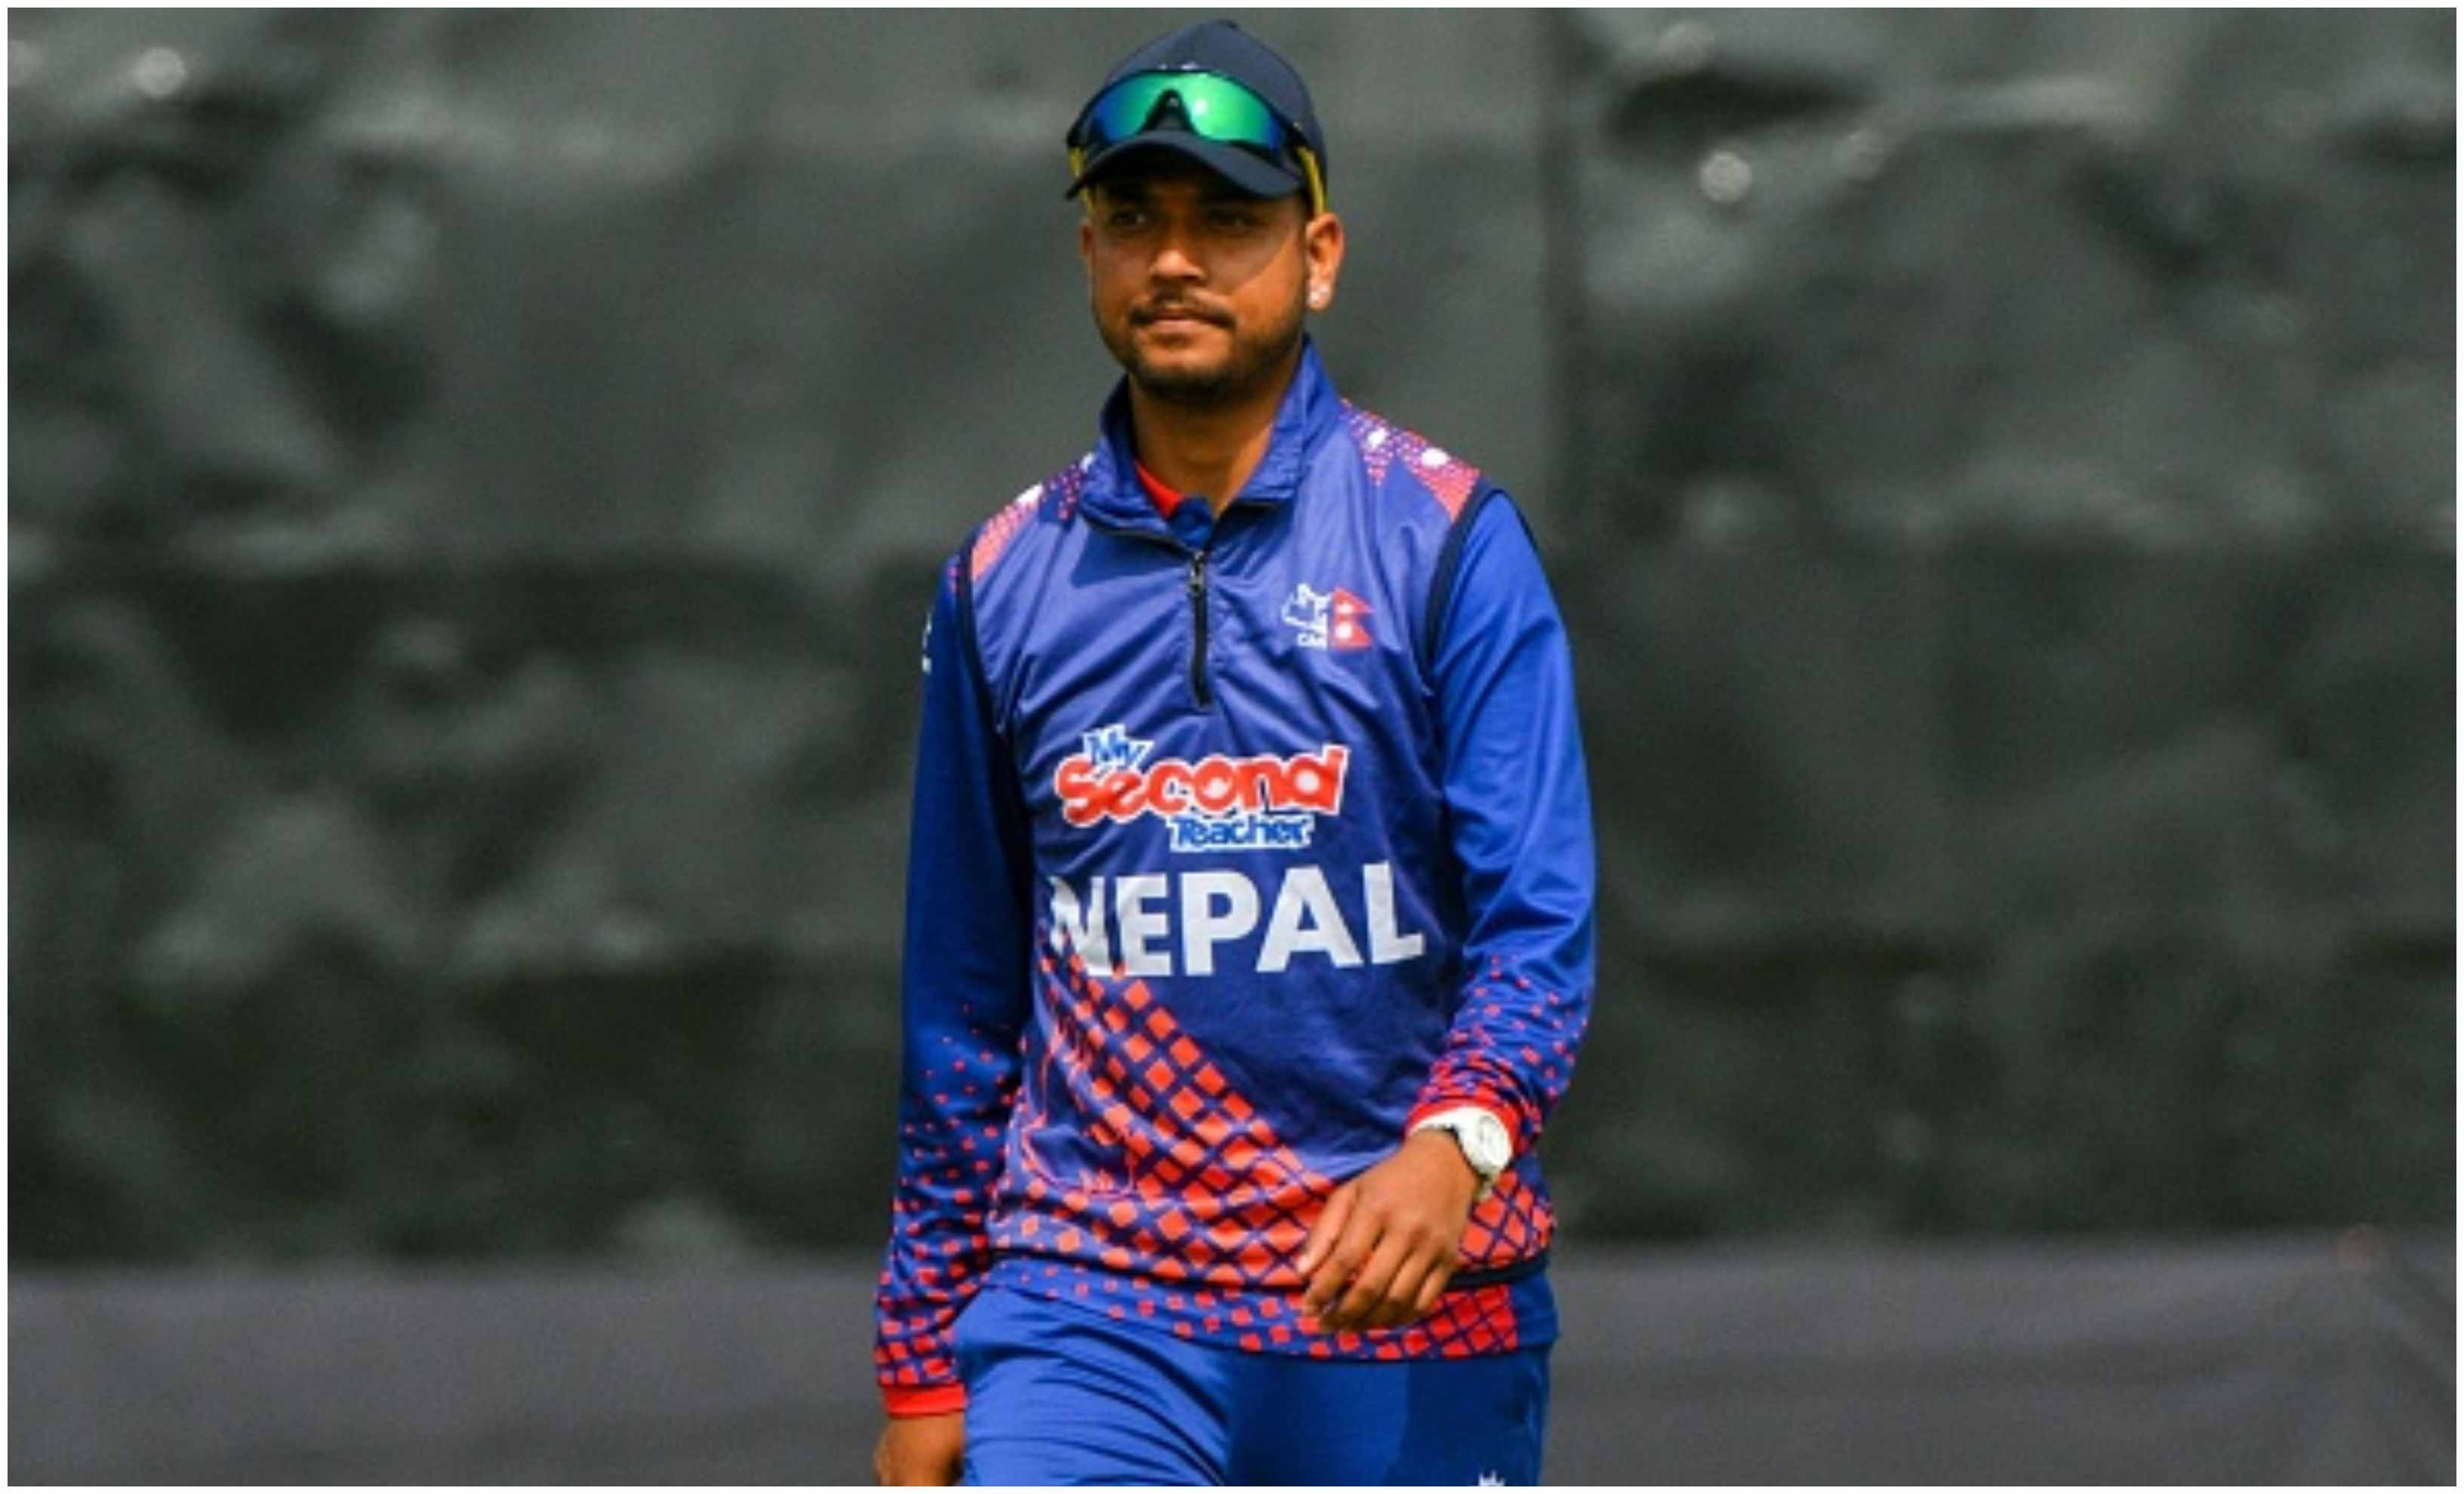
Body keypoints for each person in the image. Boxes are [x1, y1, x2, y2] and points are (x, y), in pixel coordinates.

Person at [870, 18, 1594, 1486]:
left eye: (1229, 220)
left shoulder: (1449, 542)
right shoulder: (1002, 580)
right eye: (1134, 218)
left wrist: (1455, 1147)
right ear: (1088, 253)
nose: (1176, 260)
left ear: (1319, 255)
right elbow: (962, 1006)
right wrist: (922, 1349)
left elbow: (1538, 926)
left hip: (1413, 1316)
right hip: (1092, 1315)